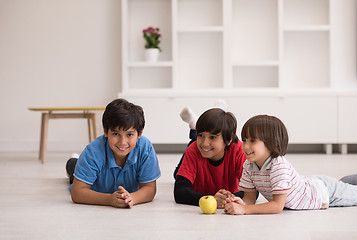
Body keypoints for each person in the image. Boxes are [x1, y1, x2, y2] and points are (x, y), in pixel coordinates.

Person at [223, 114, 357, 215]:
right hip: (310, 182)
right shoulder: (248, 165)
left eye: (252, 141)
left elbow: (277, 206)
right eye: (245, 140)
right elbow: (249, 199)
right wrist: (239, 203)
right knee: (345, 184)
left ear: (271, 143)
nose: (245, 146)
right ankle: (348, 181)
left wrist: (244, 210)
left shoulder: (278, 166)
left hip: (324, 192)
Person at [65, 98, 161, 208]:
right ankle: (73, 161)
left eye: (129, 135)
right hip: (93, 186)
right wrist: (109, 200)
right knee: (73, 169)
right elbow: (77, 193)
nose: (122, 142)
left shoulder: (145, 148)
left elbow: (150, 188)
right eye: (116, 134)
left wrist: (131, 198)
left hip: (119, 187)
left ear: (139, 134)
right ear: (105, 131)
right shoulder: (93, 151)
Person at [174, 102, 248, 208]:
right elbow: (180, 192)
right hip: (195, 152)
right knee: (177, 173)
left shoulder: (239, 151)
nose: (204, 143)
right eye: (200, 135)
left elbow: (253, 192)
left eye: (212, 137)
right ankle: (194, 126)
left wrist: (224, 200)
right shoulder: (194, 149)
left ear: (228, 140)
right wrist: (213, 199)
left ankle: (200, 121)